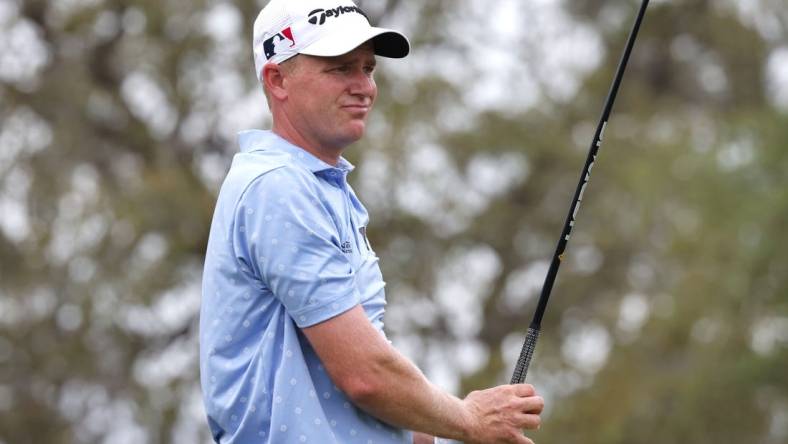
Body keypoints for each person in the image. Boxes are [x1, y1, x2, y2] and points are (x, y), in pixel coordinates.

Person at [199, 0, 544, 443]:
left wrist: (442, 431)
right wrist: (469, 420)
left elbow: (367, 374)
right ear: (277, 79)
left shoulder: (320, 187)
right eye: (341, 69)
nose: (364, 86)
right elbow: (364, 375)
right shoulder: (278, 187)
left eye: (368, 68)